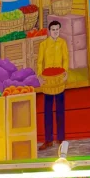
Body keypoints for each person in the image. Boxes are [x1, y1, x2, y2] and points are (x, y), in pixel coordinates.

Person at [37, 20, 70, 150]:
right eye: (53, 30)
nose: (55, 32)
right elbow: (40, 62)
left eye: (57, 30)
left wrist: (66, 71)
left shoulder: (63, 43)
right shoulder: (43, 45)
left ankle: (61, 139)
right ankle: (48, 140)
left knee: (60, 111)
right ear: (49, 31)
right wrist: (39, 76)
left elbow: (66, 59)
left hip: (59, 79)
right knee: (48, 112)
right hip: (48, 81)